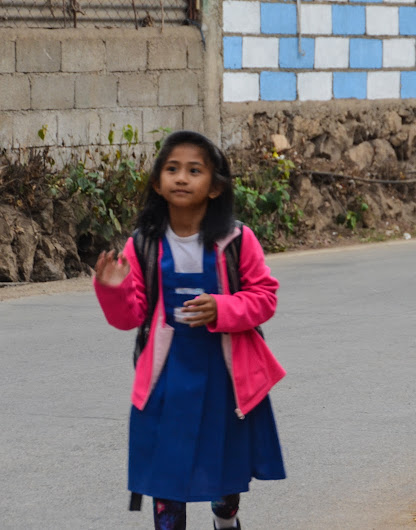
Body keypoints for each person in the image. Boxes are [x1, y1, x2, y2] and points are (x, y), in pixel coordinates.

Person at [94, 130, 286, 530]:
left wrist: (223, 307)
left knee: (224, 478)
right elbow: (130, 316)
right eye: (172, 169)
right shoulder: (143, 244)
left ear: (215, 187)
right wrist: (112, 288)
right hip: (166, 380)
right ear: (157, 182)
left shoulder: (237, 240)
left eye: (194, 170)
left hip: (225, 379)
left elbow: (264, 297)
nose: (182, 178)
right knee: (167, 477)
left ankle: (225, 518)